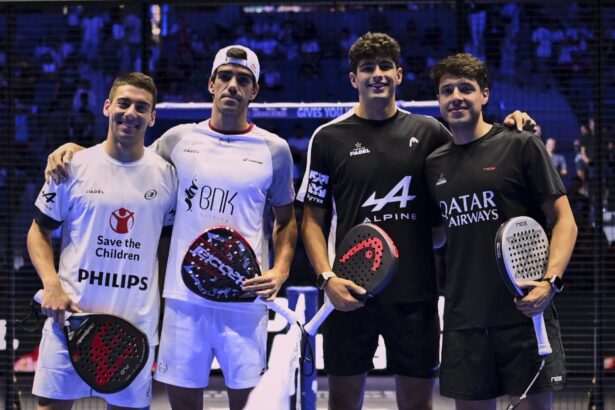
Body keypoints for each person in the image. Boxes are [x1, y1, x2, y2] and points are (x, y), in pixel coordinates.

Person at [44, 45, 297, 410]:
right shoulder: (178, 140)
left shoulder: (275, 149)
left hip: (244, 303)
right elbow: (125, 157)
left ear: (254, 90)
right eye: (225, 76)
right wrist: (75, 151)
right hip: (183, 303)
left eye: (243, 80)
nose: (233, 85)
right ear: (211, 84)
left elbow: (286, 220)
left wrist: (281, 269)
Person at [296, 32, 537, 410]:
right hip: (349, 293)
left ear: (399, 74)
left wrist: (510, 128)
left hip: (416, 294)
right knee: (342, 403)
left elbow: (477, 150)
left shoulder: (430, 132)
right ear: (353, 79)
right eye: (367, 68)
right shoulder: (327, 138)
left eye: (385, 66)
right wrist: (328, 278)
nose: (377, 74)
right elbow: (312, 217)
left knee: (417, 405)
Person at [425, 53, 577, 410]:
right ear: (439, 100)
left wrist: (550, 283)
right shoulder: (434, 164)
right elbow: (437, 236)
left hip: (524, 314)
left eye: (466, 88)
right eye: (447, 90)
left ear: (485, 95)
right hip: (464, 320)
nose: (456, 97)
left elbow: (565, 221)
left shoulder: (520, 144)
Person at [27, 72, 177, 409]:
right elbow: (38, 231)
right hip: (69, 322)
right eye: (124, 103)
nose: (131, 113)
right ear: (107, 107)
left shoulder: (168, 177)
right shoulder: (72, 167)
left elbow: (168, 246)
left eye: (141, 107)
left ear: (152, 117)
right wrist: (51, 285)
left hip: (134, 330)